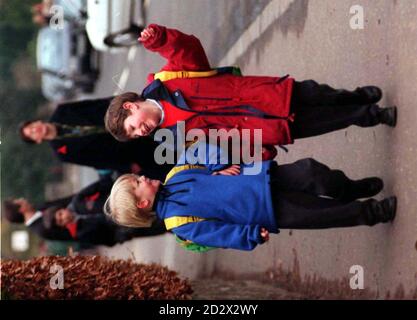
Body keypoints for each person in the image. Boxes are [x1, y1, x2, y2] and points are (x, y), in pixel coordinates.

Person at [105, 24, 397, 161]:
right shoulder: (174, 137)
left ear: (131, 106)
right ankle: (372, 115)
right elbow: (222, 145)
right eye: (135, 135)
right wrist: (259, 151)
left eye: (133, 126)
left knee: (323, 96)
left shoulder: (169, 79)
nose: (140, 132)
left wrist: (160, 40)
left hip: (265, 93)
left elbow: (190, 49)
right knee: (326, 122)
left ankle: (356, 96)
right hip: (264, 128)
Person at [104, 143, 397, 251]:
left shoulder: (174, 175)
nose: (143, 178)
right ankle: (373, 213)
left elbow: (201, 151)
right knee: (323, 213)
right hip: (267, 210)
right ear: (142, 203)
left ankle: (352, 188)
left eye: (138, 177)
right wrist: (250, 235)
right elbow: (219, 234)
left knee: (313, 171)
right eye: (138, 183)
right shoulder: (178, 222)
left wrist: (219, 165)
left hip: (263, 176)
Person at [20, 97, 171, 179]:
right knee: (168, 158)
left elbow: (92, 104)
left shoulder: (62, 111)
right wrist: (126, 167)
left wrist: (115, 102)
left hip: (122, 122)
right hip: (122, 150)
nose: (35, 129)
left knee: (166, 127)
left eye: (32, 126)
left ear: (37, 121)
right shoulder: (61, 153)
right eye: (32, 134)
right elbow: (94, 161)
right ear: (38, 141)